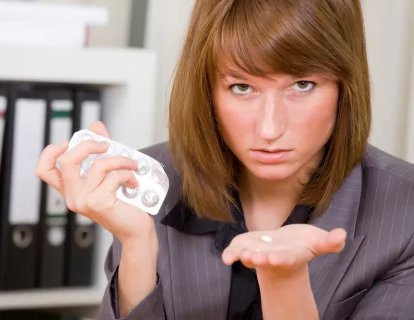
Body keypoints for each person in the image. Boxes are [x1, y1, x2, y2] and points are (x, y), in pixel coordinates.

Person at [36, 0, 414, 319]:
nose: (269, 128)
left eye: (302, 85)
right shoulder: (152, 181)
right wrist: (137, 244)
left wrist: (285, 282)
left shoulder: (405, 212)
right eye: (242, 87)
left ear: (344, 86)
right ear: (208, 90)